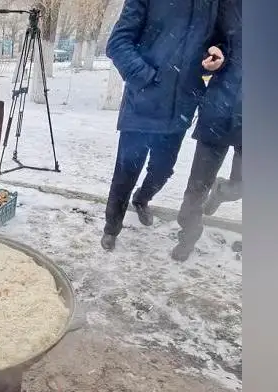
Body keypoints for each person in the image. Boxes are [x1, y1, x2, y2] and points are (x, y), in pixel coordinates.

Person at [101, 0, 225, 251]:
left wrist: (215, 55)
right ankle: (111, 228)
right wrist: (147, 78)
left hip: (180, 109)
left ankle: (142, 199)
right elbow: (117, 44)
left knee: (162, 170)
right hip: (142, 105)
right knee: (126, 173)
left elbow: (217, 42)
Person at [172, 0, 242, 261]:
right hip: (220, 107)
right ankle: (189, 233)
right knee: (196, 187)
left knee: (244, 184)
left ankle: (224, 192)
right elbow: (210, 40)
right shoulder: (226, 4)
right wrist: (212, 55)